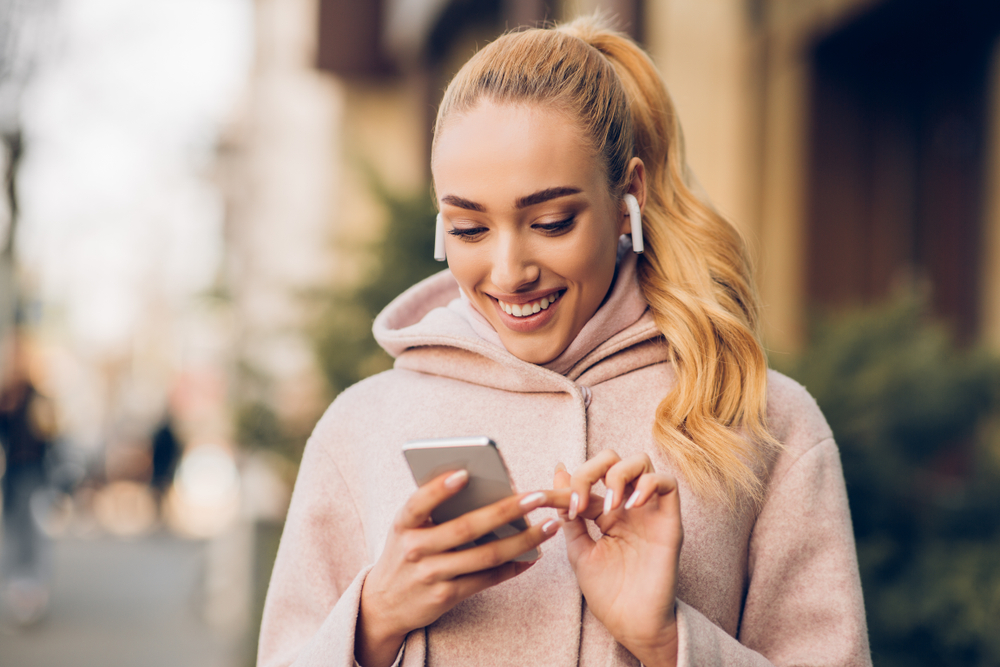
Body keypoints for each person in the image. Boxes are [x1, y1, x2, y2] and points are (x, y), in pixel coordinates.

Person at [258, 16, 871, 667]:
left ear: (626, 198)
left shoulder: (762, 419)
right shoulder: (360, 427)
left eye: (551, 221)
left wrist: (670, 642)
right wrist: (373, 620)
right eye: (469, 228)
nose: (509, 270)